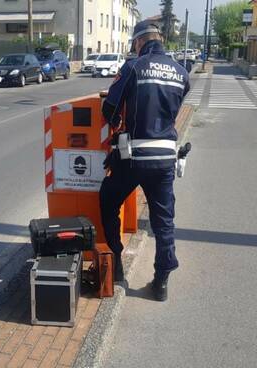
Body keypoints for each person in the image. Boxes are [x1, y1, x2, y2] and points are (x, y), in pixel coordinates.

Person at [99, 20, 190, 302]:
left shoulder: (134, 66)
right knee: (163, 222)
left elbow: (110, 108)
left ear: (139, 42)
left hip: (133, 157)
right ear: (160, 40)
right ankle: (161, 281)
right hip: (165, 158)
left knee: (108, 199)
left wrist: (114, 124)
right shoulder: (181, 72)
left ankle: (114, 262)